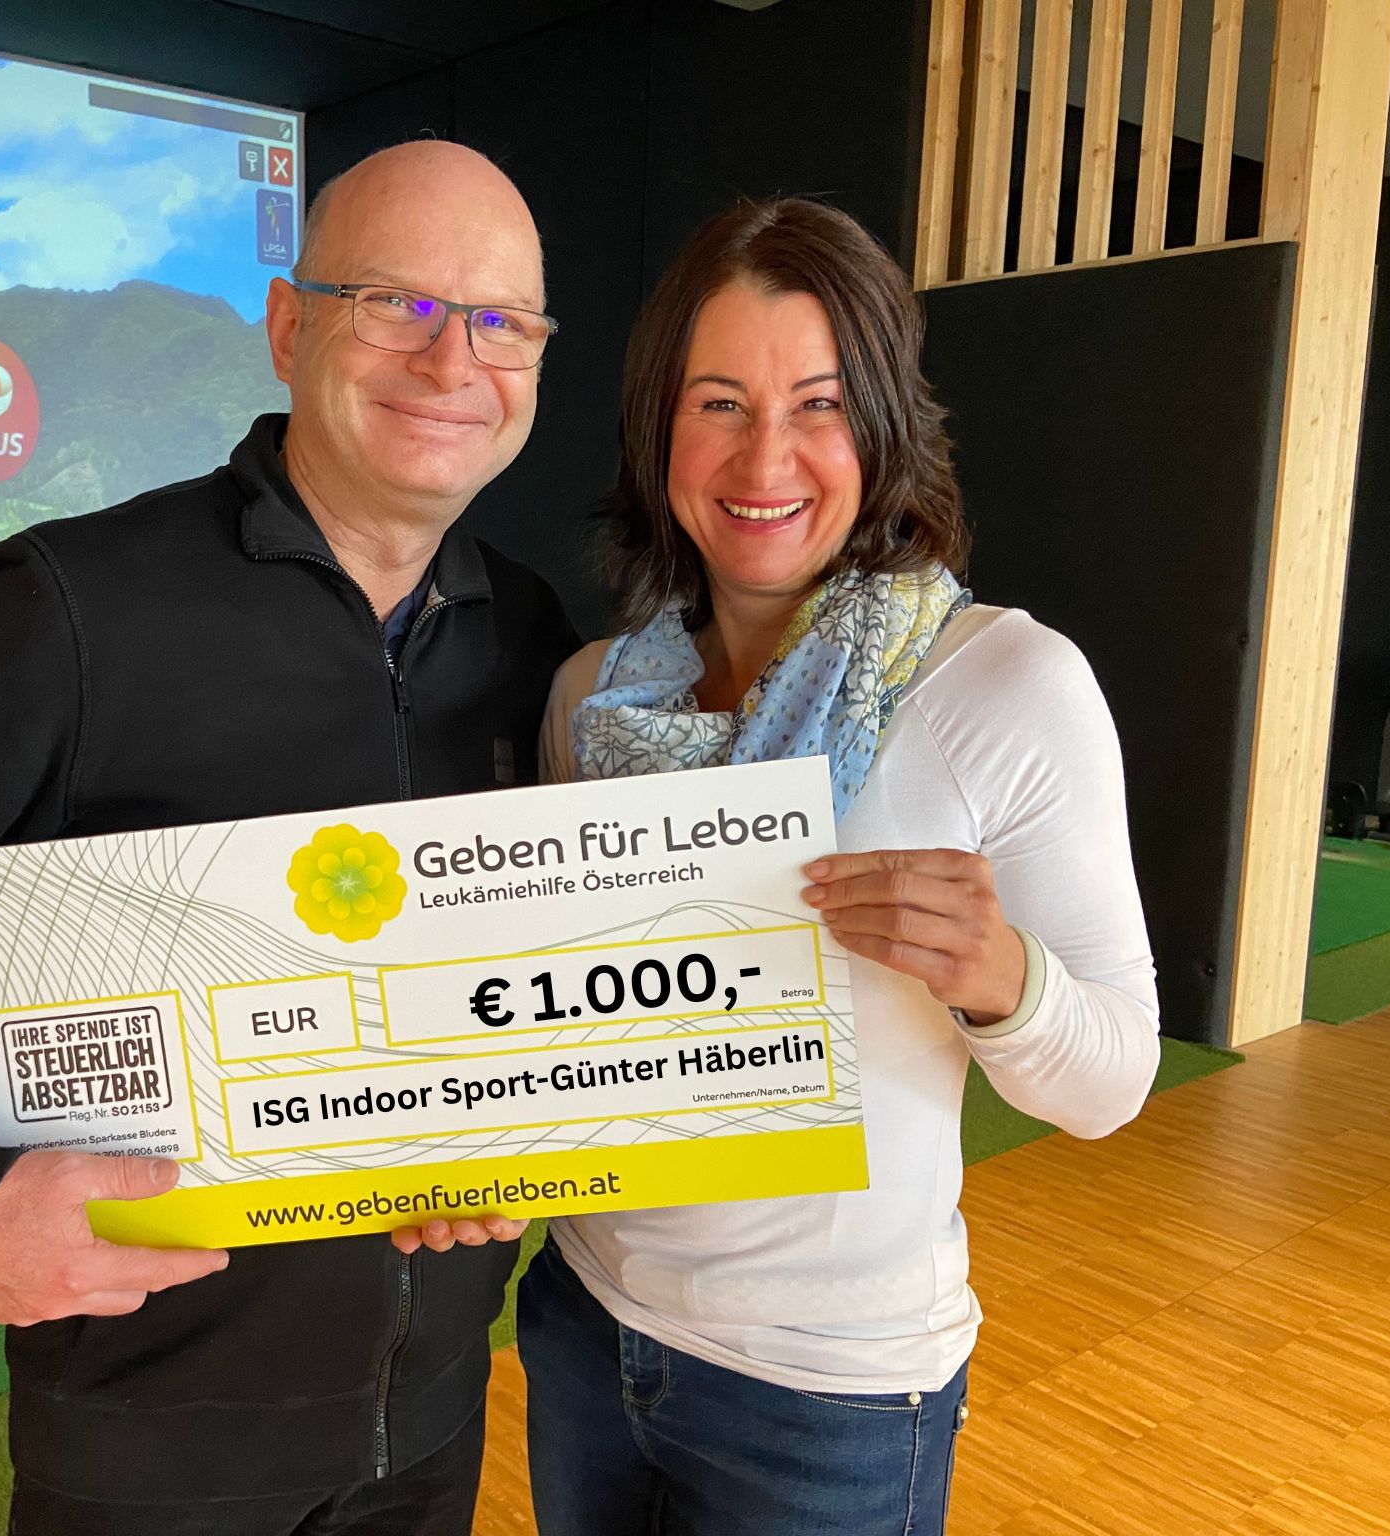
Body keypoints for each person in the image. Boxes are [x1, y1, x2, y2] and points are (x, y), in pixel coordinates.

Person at [0, 140, 573, 1535]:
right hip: (148, 1456)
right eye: (396, 305)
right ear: (289, 327)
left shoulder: (535, 636)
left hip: (430, 1430)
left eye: (499, 322)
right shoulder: (76, 606)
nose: (449, 359)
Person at [517, 196, 1161, 1535]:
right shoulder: (595, 694)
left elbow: (1114, 1082)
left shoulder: (1003, 683)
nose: (767, 456)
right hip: (582, 1325)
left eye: (818, 404)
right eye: (718, 403)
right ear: (658, 428)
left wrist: (1002, 977)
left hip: (830, 1394)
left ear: (881, 423)